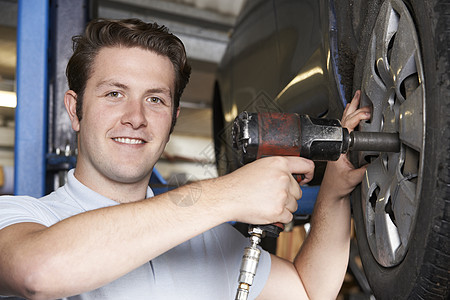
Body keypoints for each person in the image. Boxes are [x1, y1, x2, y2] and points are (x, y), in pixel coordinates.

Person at [0, 18, 371, 300]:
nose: (136, 117)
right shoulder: (21, 218)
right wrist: (227, 195)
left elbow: (308, 290)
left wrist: (335, 191)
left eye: (156, 99)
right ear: (75, 109)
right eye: (114, 93)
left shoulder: (208, 240)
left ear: (173, 119)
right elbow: (40, 271)